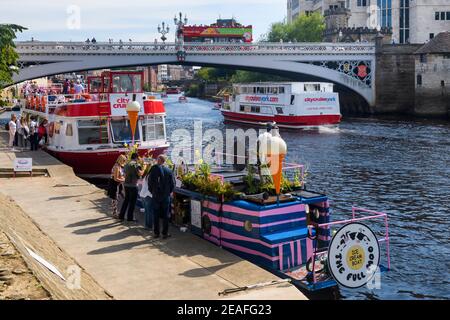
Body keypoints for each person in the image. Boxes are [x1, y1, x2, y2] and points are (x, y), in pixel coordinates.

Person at [149, 155, 175, 239]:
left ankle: (156, 233)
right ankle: (165, 233)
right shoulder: (169, 170)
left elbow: (149, 182)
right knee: (165, 215)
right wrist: (168, 192)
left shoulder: (153, 169)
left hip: (156, 195)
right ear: (164, 161)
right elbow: (172, 184)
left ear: (158, 160)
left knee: (155, 214)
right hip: (165, 196)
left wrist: (152, 191)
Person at [119, 153, 145, 221]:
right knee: (132, 202)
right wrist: (144, 168)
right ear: (136, 157)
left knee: (126, 201)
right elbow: (139, 173)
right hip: (133, 186)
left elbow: (124, 174)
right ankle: (130, 217)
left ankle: (121, 215)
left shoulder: (126, 164)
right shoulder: (135, 165)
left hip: (126, 185)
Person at [139, 165, 153, 230]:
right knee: (149, 211)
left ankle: (146, 225)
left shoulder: (145, 175)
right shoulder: (150, 176)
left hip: (143, 194)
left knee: (147, 211)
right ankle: (149, 226)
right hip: (148, 195)